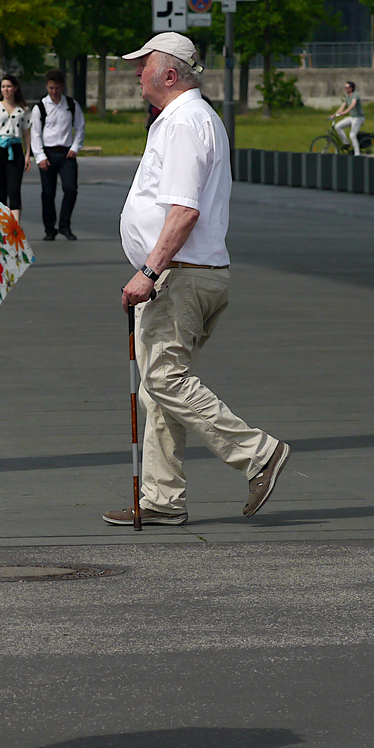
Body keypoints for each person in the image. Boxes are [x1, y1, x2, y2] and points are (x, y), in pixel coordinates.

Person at [102, 32, 290, 528]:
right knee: (157, 387)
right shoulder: (186, 119)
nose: (135, 73)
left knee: (165, 378)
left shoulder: (184, 122)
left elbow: (183, 211)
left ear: (170, 73)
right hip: (190, 272)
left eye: (142, 65)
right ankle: (162, 498)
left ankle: (257, 454)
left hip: (181, 275)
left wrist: (148, 270)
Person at [29, 68, 86, 241]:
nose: (54, 92)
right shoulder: (40, 108)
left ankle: (64, 225)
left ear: (62, 87)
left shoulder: (70, 105)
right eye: (51, 88)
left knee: (70, 190)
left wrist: (75, 146)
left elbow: (80, 126)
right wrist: (40, 156)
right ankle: (49, 229)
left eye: (57, 88)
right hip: (47, 153)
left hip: (66, 153)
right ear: (47, 86)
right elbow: (35, 133)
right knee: (48, 193)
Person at [0, 74, 31, 221]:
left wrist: (27, 154)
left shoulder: (23, 110)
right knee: (0, 191)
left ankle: (15, 227)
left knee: (14, 190)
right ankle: (1, 226)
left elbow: (26, 133)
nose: (6, 90)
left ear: (15, 88)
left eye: (9, 86)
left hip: (15, 150)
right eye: (3, 87)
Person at [332, 80, 364, 156]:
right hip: (352, 118)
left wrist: (345, 112)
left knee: (352, 135)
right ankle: (346, 143)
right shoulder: (347, 97)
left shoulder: (355, 95)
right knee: (337, 127)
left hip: (359, 118)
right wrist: (334, 115)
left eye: (347, 87)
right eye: (345, 87)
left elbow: (353, 104)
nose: (345, 89)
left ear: (351, 88)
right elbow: (342, 107)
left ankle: (357, 154)